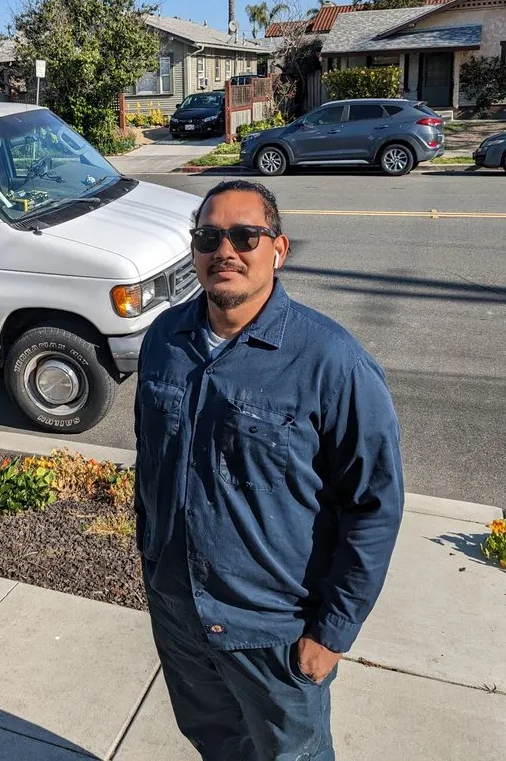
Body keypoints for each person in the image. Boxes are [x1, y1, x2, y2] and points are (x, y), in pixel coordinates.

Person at [134, 178, 404, 761]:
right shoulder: (164, 340)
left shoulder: (333, 362)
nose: (225, 250)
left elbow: (374, 507)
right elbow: (149, 463)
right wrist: (154, 566)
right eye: (209, 236)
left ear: (277, 249)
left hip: (275, 635)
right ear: (194, 248)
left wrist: (330, 635)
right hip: (181, 616)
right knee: (216, 744)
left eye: (244, 236)